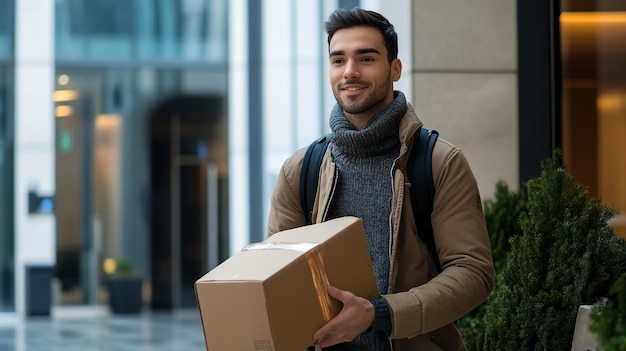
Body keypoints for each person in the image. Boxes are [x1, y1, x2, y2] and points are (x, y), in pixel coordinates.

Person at [266, 7, 494, 351]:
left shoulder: (439, 163)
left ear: (395, 68)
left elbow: (473, 273)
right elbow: (275, 277)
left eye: (366, 58)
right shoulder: (300, 170)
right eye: (338, 60)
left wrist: (380, 314)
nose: (350, 72)